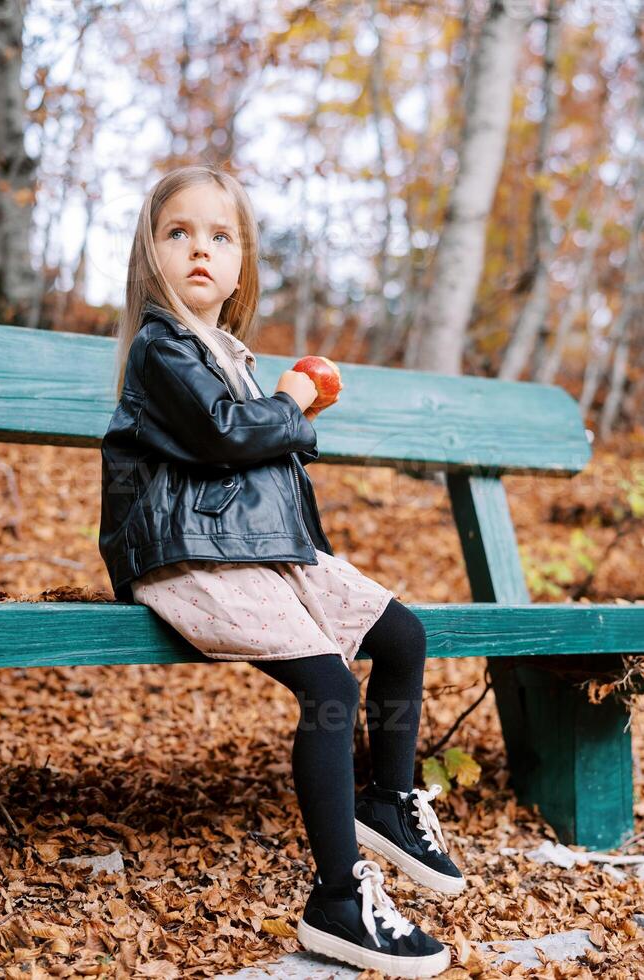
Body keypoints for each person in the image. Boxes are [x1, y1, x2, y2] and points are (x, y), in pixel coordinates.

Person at [99, 163, 465, 978]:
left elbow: (255, 455)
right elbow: (229, 437)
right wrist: (294, 404)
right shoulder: (163, 348)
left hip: (253, 549)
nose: (200, 250)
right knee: (331, 688)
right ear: (150, 256)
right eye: (178, 233)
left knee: (401, 633)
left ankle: (389, 801)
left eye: (220, 237)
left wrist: (289, 417)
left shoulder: (227, 354)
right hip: (183, 554)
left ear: (240, 269)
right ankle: (339, 898)